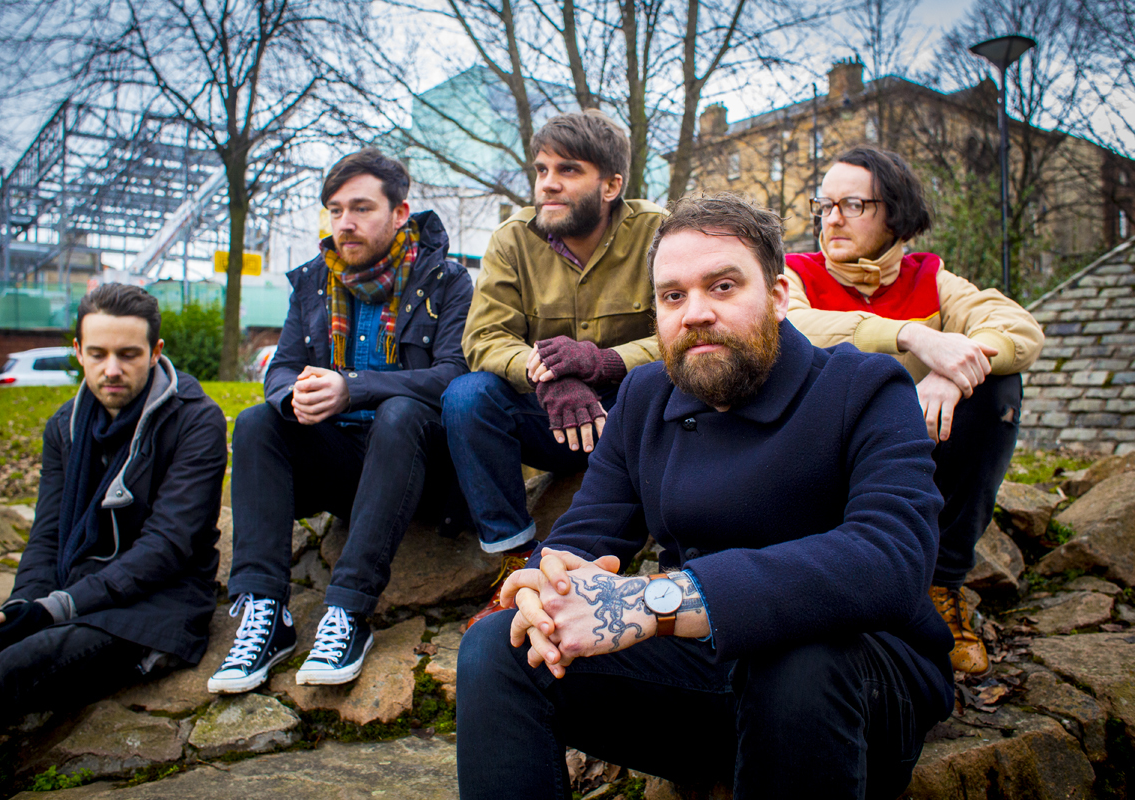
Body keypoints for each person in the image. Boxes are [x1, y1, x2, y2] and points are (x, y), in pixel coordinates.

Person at [455, 194, 954, 800]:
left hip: (856, 685)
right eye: (672, 296)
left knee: (797, 656)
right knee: (498, 646)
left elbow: (891, 559)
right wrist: (545, 584)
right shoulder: (645, 394)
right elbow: (589, 531)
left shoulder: (866, 387)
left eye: (722, 287)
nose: (694, 313)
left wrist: (654, 602)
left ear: (777, 296)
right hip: (704, 677)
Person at [208, 148, 472, 693]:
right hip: (344, 468)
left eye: (360, 208)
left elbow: (453, 376)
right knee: (258, 420)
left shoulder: (448, 281)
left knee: (399, 412)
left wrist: (352, 388)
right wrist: (293, 398)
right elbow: (280, 367)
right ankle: (265, 613)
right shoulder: (312, 282)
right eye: (334, 210)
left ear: (400, 214)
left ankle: (348, 611)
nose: (344, 224)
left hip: (420, 469)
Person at [0, 284, 227, 774]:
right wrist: (21, 610)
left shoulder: (196, 422)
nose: (111, 369)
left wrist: (51, 613)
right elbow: (46, 536)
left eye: (128, 355)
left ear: (156, 353)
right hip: (75, 594)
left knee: (9, 669)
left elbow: (167, 547)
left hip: (157, 605)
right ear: (78, 353)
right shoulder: (64, 426)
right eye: (98, 354)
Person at [784, 145, 1044, 674]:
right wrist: (912, 337)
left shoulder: (934, 280)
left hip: (913, 446)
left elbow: (1017, 327)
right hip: (818, 457)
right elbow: (791, 327)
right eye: (824, 204)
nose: (831, 218)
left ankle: (941, 583)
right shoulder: (792, 275)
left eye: (852, 204)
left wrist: (953, 370)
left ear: (895, 211)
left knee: (998, 387)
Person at [441, 111, 664, 628]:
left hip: (629, 418)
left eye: (567, 170)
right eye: (541, 170)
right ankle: (518, 560)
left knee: (676, 386)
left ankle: (673, 567)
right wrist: (550, 371)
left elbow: (684, 330)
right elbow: (483, 339)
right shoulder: (512, 240)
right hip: (549, 419)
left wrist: (605, 361)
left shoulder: (658, 231)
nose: (548, 185)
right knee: (468, 395)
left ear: (611, 184)